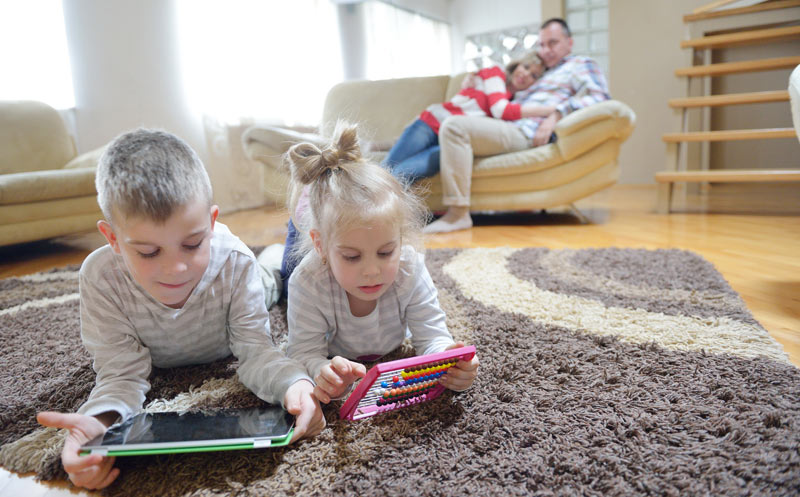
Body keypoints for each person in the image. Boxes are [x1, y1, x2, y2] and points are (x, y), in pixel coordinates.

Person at [35, 129, 325, 491]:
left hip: (245, 295)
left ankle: (270, 259)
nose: (176, 269)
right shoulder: (101, 277)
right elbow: (119, 374)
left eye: (192, 243)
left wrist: (294, 385)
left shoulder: (234, 261)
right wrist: (100, 424)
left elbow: (256, 351)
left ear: (212, 222)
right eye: (148, 252)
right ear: (112, 239)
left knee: (272, 281)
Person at [283, 122, 480, 404]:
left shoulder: (409, 267)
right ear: (321, 246)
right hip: (304, 265)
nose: (372, 270)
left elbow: (432, 336)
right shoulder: (307, 281)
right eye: (352, 256)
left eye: (386, 252)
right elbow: (303, 352)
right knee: (282, 276)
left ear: (400, 239)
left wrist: (450, 361)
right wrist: (320, 370)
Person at [425, 17, 611, 234]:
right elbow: (505, 88)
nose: (546, 49)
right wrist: (474, 80)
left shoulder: (580, 65)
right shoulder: (541, 72)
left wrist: (556, 115)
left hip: (524, 131)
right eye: (542, 44)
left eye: (553, 43)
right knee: (437, 133)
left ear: (569, 43)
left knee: (454, 127)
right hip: (505, 123)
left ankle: (457, 214)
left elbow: (599, 98)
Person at [383, 52, 554, 183]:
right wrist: (550, 110)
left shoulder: (514, 102)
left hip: (450, 140)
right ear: (516, 65)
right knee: (384, 170)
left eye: (533, 75)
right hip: (431, 124)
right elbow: (500, 110)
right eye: (526, 67)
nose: (526, 74)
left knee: (401, 175)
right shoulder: (495, 74)